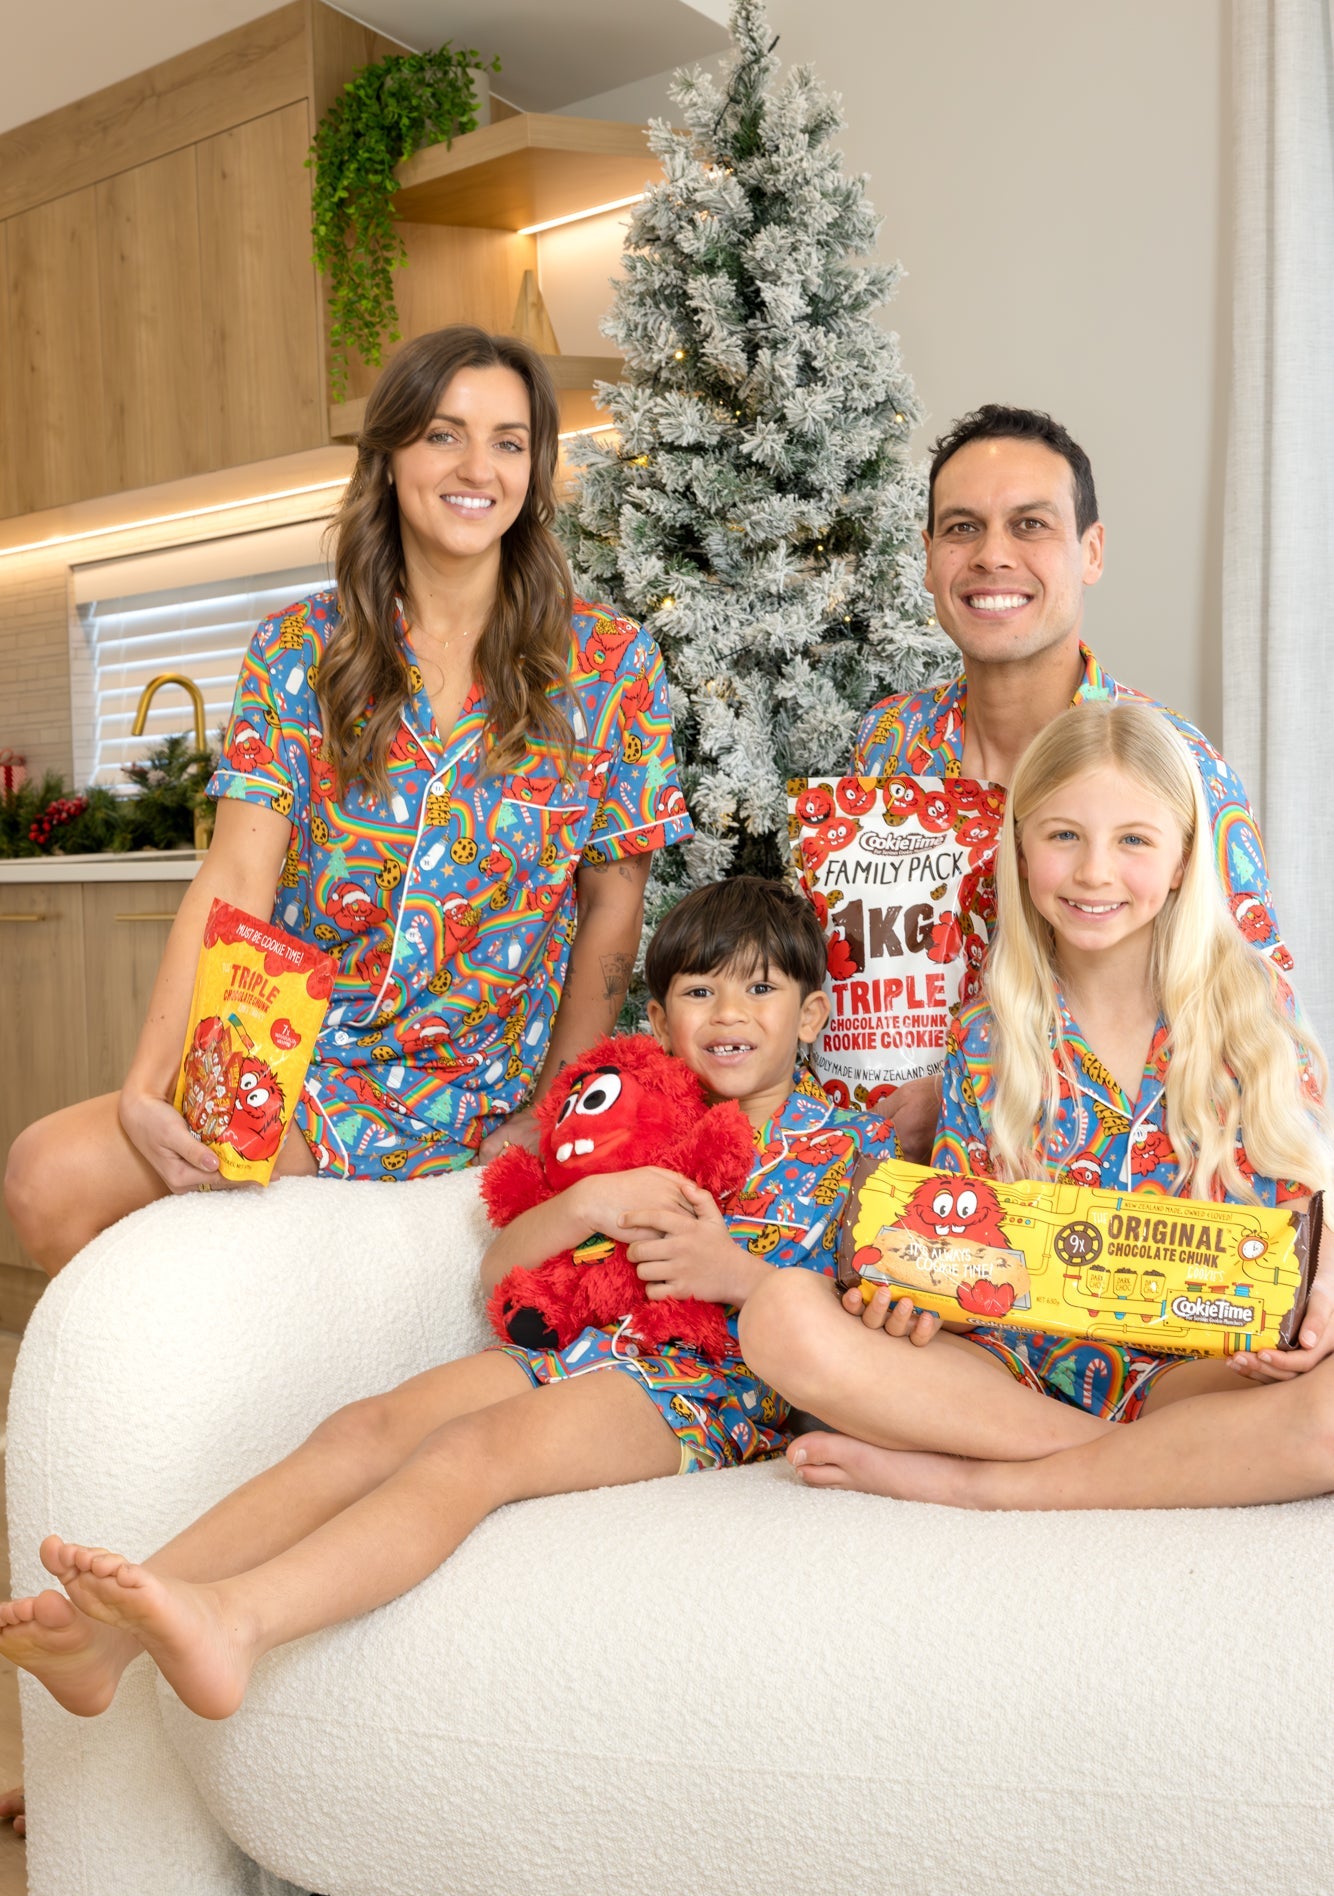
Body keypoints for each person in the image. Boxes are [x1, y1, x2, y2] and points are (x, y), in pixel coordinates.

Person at [0, 877, 897, 1721]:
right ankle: (110, 1640)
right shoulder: (624, 1127)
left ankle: (238, 1623)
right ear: (659, 1020)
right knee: (364, 1427)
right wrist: (588, 1201)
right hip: (572, 1351)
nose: (730, 1013)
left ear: (812, 1014)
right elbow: (501, 1270)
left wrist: (735, 1272)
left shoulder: (855, 1151)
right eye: (701, 992)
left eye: (761, 989)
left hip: (704, 1394)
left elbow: (861, 1326)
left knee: (470, 1451)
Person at [4, 326, 691, 1275]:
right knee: (41, 1176)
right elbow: (235, 876)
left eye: (508, 442)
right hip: (293, 1055)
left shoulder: (611, 665)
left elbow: (613, 908)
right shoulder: (298, 650)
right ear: (391, 454)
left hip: (476, 1079)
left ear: (534, 471)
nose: (477, 468)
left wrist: (551, 1109)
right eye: (444, 434)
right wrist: (146, 1083)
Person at [739, 702, 1334, 1508]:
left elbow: (1308, 1216)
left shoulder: (1253, 1012)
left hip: (1201, 1375)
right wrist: (916, 1303)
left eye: (1134, 840)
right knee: (780, 1315)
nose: (1094, 872)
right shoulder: (985, 1034)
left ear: (1183, 859)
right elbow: (958, 1251)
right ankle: (1156, 1464)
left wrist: (1322, 1300)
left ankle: (985, 1485)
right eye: (1064, 836)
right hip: (1014, 1377)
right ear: (1020, 853)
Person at [856, 404, 1286, 1163]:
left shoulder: (1179, 765)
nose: (992, 555)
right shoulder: (886, 743)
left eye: (1030, 525)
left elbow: (1255, 1018)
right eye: (962, 528)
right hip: (886, 1175)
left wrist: (972, 1093)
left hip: (1093, 1192)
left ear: (1091, 551)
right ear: (928, 557)